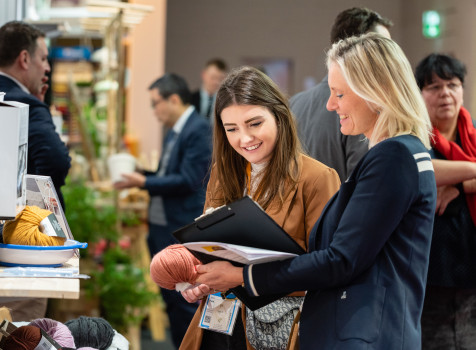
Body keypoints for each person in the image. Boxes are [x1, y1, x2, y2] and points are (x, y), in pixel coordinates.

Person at [183, 33, 437, 349]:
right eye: (231, 129)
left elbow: (339, 260)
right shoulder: (400, 152)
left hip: (363, 331)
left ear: (376, 92)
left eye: (339, 94)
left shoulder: (392, 156)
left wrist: (241, 277)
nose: (331, 104)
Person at [179, 66, 341, 350]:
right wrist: (195, 281)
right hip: (219, 324)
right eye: (232, 129)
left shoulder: (316, 178)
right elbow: (205, 250)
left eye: (254, 124)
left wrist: (241, 277)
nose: (245, 139)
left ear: (279, 116)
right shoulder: (224, 171)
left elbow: (326, 270)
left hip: (278, 328)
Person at [114, 73, 212, 347]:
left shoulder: (197, 129)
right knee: (171, 296)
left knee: (185, 300)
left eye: (156, 103)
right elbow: (168, 173)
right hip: (164, 225)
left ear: (174, 99)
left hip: (181, 225)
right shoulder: (177, 130)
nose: (154, 111)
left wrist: (143, 181)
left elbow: (188, 180)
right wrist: (142, 173)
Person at [415, 53, 476, 349]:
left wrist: (459, 186)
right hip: (431, 275)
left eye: (452, 84)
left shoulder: (473, 135)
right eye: (434, 87)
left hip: (471, 272)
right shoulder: (416, 139)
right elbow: (423, 173)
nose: (445, 94)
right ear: (420, 94)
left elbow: (443, 178)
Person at [290, 7, 392, 182]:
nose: (389, 57)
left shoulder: (293, 103)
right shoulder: (362, 107)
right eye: (382, 48)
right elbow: (365, 184)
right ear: (360, 49)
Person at [0, 21, 71, 208]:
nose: (47, 68)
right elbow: (56, 161)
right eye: (43, 58)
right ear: (24, 59)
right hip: (18, 230)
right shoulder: (28, 104)